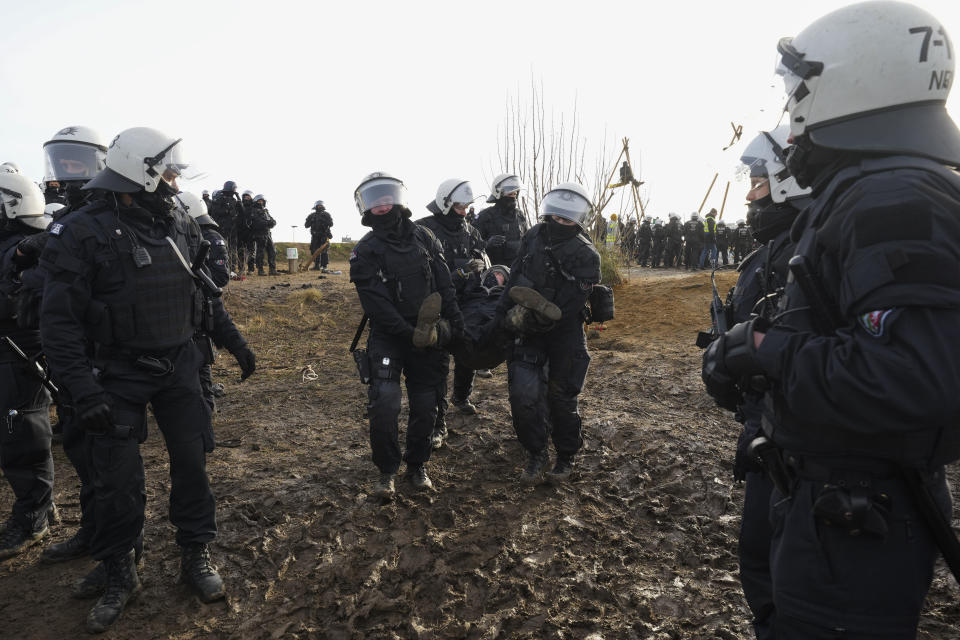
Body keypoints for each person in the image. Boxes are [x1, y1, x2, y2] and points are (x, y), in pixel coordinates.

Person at [703, 3, 960, 637]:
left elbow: (914, 377)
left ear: (854, 80)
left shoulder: (893, 200)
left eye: (801, 91)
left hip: (860, 512)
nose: (792, 118)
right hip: (838, 496)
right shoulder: (876, 188)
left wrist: (767, 352)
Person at [39, 127, 256, 633]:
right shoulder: (80, 230)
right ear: (143, 170)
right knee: (117, 481)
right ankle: (121, 570)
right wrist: (82, 389)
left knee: (193, 464)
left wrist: (234, 341)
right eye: (170, 170)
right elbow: (59, 324)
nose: (177, 180)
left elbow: (204, 293)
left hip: (180, 365)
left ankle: (195, 555)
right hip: (114, 373)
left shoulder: (179, 219)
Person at [704, 126, 812, 639]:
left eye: (759, 183)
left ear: (788, 181)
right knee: (760, 561)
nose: (749, 194)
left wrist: (743, 356)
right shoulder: (770, 251)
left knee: (778, 575)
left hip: (793, 441)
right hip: (766, 426)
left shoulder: (803, 247)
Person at [348, 172, 463, 498]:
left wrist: (456, 328)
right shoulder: (364, 251)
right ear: (367, 210)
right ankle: (386, 472)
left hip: (429, 335)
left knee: (427, 405)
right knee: (384, 403)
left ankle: (417, 465)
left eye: (387, 198)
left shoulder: (426, 238)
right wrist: (408, 332)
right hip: (390, 335)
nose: (383, 206)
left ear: (398, 199)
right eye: (376, 202)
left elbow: (445, 286)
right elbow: (375, 305)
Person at [496, 182, 601, 484]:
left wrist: (533, 321)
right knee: (523, 395)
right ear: (548, 211)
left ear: (580, 217)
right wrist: (501, 316)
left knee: (562, 398)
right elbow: (515, 277)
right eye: (557, 215)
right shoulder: (532, 236)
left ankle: (566, 456)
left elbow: (570, 305)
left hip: (564, 332)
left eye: (569, 216)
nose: (561, 220)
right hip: (526, 328)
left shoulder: (586, 255)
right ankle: (536, 452)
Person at [0, 173, 55, 559]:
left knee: (23, 434)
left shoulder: (30, 246)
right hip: (9, 350)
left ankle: (35, 514)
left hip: (20, 353)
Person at [416, 179, 487, 447]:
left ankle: (462, 395)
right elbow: (421, 276)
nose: (465, 210)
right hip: (436, 306)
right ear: (445, 202)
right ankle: (438, 424)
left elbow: (481, 262)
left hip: (467, 303)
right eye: (460, 205)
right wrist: (459, 273)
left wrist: (480, 269)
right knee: (437, 367)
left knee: (469, 350)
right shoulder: (423, 229)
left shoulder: (471, 231)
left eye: (468, 206)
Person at [177, 191, 230, 415]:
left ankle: (205, 408)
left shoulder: (210, 237)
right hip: (179, 308)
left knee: (200, 360)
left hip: (200, 307)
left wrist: (192, 282)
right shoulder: (178, 233)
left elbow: (220, 276)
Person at [474, 173, 529, 267]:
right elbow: (472, 246)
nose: (513, 197)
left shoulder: (520, 215)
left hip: (518, 270)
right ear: (499, 193)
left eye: (515, 194)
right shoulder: (485, 216)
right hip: (494, 272)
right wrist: (487, 244)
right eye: (510, 194)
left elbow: (528, 241)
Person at [209, 181, 245, 277]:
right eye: (234, 188)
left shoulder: (234, 200)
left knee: (233, 249)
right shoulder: (219, 198)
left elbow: (242, 212)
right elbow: (214, 212)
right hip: (222, 228)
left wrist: (239, 199)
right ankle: (223, 268)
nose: (235, 190)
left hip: (233, 229)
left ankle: (232, 269)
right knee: (222, 249)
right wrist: (228, 210)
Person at [250, 194, 277, 275]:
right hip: (259, 234)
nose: (260, 202)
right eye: (259, 201)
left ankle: (272, 270)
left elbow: (273, 221)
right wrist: (267, 223)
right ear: (255, 202)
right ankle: (260, 270)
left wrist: (270, 223)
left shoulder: (265, 211)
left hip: (268, 234)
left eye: (262, 201)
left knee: (272, 251)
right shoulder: (253, 211)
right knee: (260, 253)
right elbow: (256, 222)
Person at [305, 200, 334, 271]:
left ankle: (324, 266)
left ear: (323, 206)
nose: (320, 207)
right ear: (315, 207)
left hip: (324, 235)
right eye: (318, 206)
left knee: (324, 251)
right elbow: (306, 225)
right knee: (314, 250)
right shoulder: (311, 215)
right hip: (315, 236)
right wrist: (311, 220)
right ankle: (316, 266)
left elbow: (331, 224)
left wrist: (325, 221)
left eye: (321, 205)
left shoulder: (326, 214)